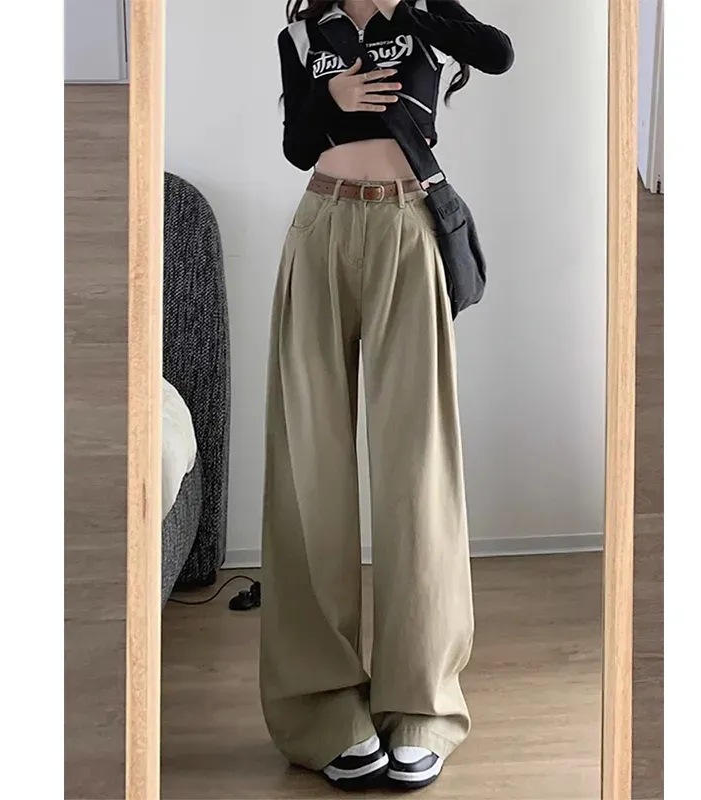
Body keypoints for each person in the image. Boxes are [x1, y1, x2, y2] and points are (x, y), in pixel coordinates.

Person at [259, 0, 514, 790]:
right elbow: (297, 146)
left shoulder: (427, 15)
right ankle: (320, 707)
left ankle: (422, 704)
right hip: (321, 228)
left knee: (417, 463)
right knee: (309, 465)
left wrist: (419, 12)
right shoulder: (303, 34)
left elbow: (497, 53)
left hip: (407, 231)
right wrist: (327, 96)